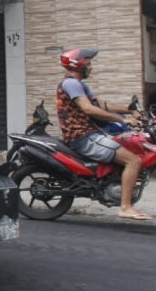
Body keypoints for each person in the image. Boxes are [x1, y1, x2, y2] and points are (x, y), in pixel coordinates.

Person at [56, 48, 150, 221]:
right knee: (133, 160)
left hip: (91, 133)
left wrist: (129, 111)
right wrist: (123, 120)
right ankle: (126, 207)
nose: (91, 67)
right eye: (89, 64)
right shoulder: (71, 84)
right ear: (80, 64)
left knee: (128, 146)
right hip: (83, 136)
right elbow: (89, 108)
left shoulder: (80, 85)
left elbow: (102, 105)